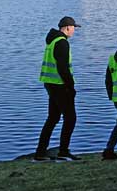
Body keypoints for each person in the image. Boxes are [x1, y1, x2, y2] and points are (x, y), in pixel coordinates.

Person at [34, 16, 81, 162]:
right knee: (70, 118)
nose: (74, 31)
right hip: (60, 85)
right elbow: (63, 68)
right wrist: (70, 87)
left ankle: (40, 153)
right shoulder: (62, 43)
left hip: (50, 84)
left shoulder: (52, 41)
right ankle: (63, 152)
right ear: (67, 27)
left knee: (53, 118)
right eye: (73, 28)